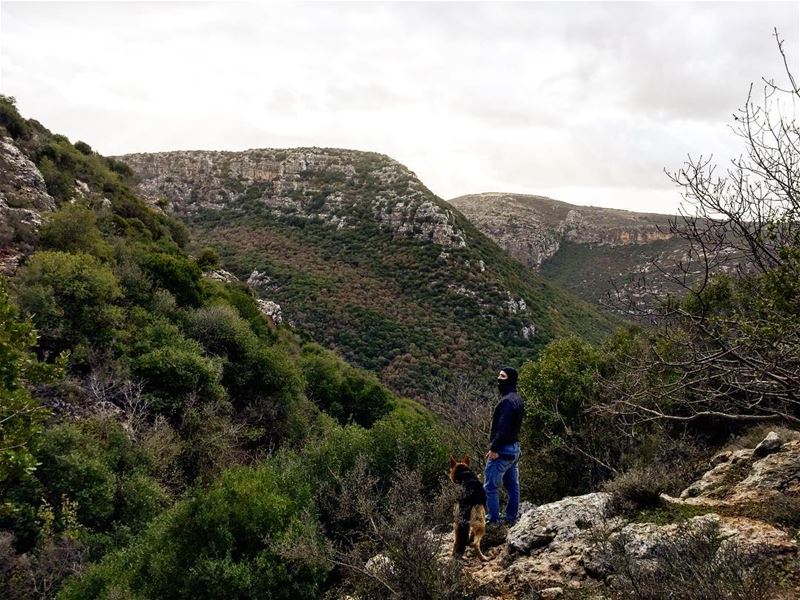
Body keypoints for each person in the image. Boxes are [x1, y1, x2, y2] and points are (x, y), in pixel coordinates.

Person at [484, 366, 524, 526]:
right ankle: (511, 518)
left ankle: (493, 520)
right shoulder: (517, 399)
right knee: (512, 486)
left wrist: (494, 448)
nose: (499, 379)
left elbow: (503, 428)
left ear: (510, 379)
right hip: (514, 449)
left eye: (502, 376)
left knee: (490, 486)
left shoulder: (507, 402)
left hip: (503, 450)